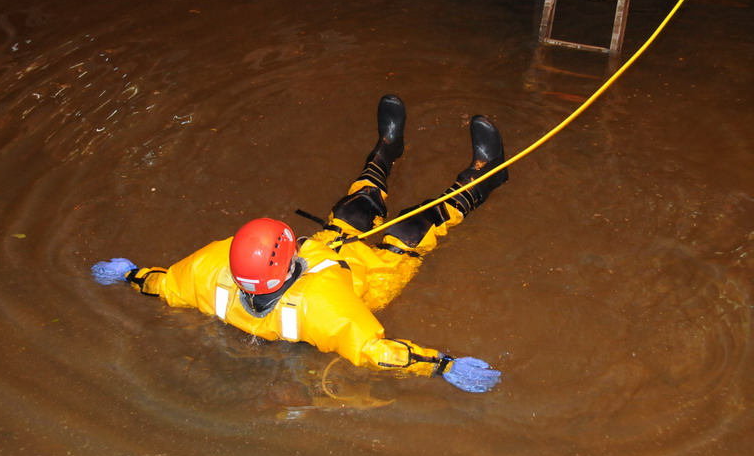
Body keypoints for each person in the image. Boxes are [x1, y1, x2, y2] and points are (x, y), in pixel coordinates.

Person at [92, 95, 508, 392]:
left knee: (356, 207)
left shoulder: (208, 268)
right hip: (362, 281)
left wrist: (129, 274)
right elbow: (374, 350)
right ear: (289, 256)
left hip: (324, 253)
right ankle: (485, 175)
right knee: (415, 228)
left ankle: (387, 147)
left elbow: (161, 284)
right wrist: (442, 366)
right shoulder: (324, 311)